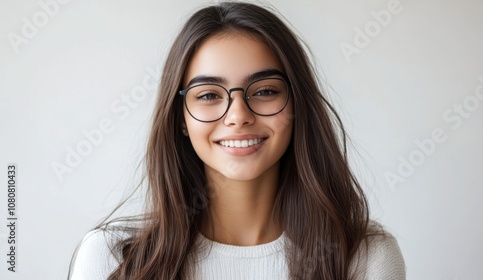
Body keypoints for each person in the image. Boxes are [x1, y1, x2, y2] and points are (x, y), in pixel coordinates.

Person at [69, 2, 406, 279]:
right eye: (208, 95)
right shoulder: (112, 259)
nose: (238, 115)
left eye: (265, 91)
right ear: (180, 119)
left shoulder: (365, 258)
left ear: (298, 106)